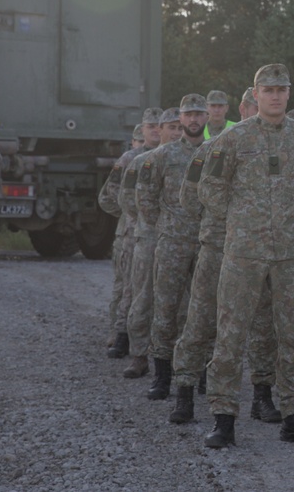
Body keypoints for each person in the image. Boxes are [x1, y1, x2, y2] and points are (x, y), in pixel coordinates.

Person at [198, 64, 294, 448]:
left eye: (281, 89)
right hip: (244, 253)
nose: (275, 95)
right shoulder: (234, 138)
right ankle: (224, 417)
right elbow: (209, 188)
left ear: (290, 94)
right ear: (255, 95)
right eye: (267, 89)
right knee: (230, 333)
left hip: (290, 254)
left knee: (293, 335)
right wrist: (241, 221)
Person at [169, 114, 281, 425]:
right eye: (247, 106)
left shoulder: (274, 149)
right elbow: (189, 198)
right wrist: (226, 220)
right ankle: (185, 392)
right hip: (218, 248)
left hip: (259, 251)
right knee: (201, 318)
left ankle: (262, 395)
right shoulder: (211, 149)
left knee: (262, 322)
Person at [137, 94, 209, 401]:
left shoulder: (215, 151)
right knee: (165, 308)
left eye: (199, 114)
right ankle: (162, 375)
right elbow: (145, 197)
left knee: (205, 310)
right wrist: (168, 225)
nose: (193, 119)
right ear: (180, 118)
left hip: (207, 243)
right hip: (172, 243)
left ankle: (202, 373)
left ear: (207, 118)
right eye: (188, 114)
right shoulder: (163, 155)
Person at [119, 107, 182, 378]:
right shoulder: (143, 161)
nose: (176, 132)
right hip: (150, 238)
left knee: (181, 302)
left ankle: (178, 357)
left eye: (180, 127)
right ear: (161, 129)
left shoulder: (195, 159)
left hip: (182, 241)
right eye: (171, 127)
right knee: (143, 297)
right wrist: (152, 223)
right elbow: (127, 200)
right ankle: (140, 355)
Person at [100, 109, 162, 359]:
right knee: (129, 287)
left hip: (164, 234)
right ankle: (121, 335)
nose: (156, 130)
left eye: (160, 126)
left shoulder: (170, 155)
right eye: (151, 127)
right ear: (143, 129)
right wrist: (131, 217)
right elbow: (108, 197)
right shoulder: (130, 159)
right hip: (131, 235)